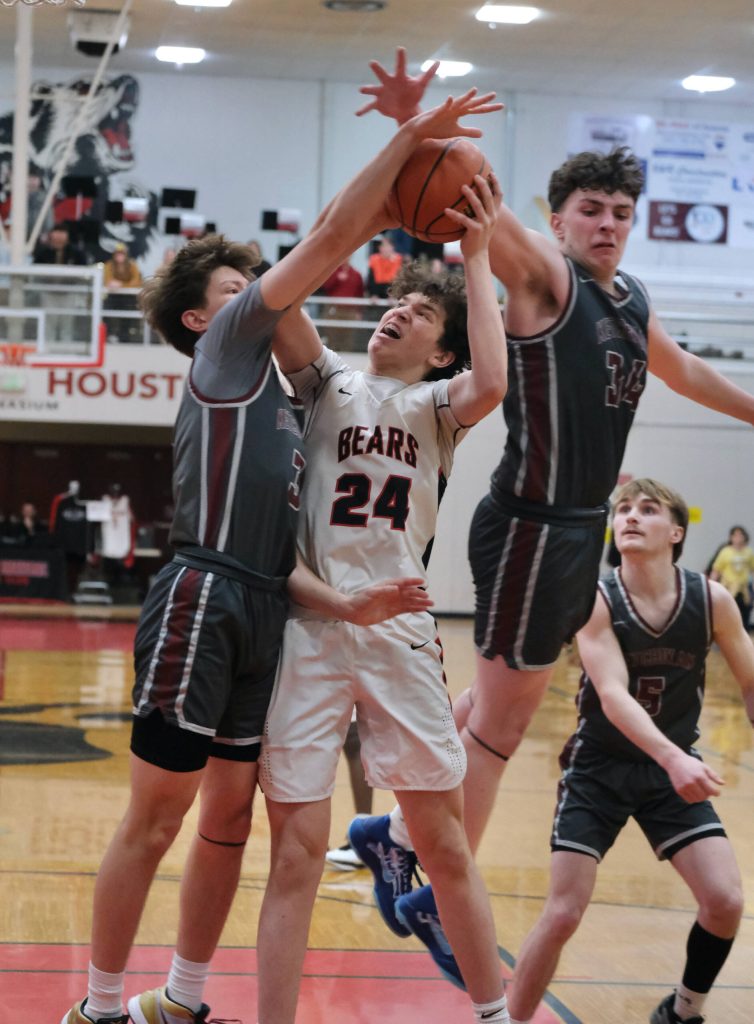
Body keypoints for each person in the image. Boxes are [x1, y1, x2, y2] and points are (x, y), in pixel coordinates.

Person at [59, 89, 502, 1024]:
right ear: (203, 319)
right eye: (237, 285)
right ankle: (97, 1005)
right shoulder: (237, 350)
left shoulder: (303, 403)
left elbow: (479, 380)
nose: (258, 289)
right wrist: (402, 159)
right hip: (215, 594)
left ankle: (182, 996)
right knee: (166, 815)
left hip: (287, 607)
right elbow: (326, 247)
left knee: (226, 819)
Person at [347, 46, 754, 982]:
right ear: (558, 221)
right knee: (498, 724)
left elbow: (684, 371)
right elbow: (467, 185)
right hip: (536, 524)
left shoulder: (630, 297)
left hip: (571, 531)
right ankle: (434, 888)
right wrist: (425, 126)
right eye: (592, 212)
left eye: (621, 213)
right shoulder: (546, 276)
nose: (608, 225)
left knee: (491, 705)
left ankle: (387, 830)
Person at [256, 169, 510, 1024]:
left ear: (442, 350)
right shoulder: (327, 379)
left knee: (445, 844)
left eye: (420, 314)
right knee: (292, 852)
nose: (398, 311)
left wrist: (474, 258)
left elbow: (495, 380)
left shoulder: (440, 405)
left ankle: (493, 1014)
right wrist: (360, 218)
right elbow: (280, 297)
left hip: (401, 633)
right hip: (313, 630)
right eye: (395, 303)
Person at [506, 478, 754, 1024]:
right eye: (622, 510)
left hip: (670, 769)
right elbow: (614, 696)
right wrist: (673, 758)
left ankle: (683, 1011)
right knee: (565, 912)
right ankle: (507, 1021)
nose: (631, 518)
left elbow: (751, 680)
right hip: (599, 769)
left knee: (726, 901)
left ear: (677, 530)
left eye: (647, 509)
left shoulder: (712, 601)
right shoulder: (594, 599)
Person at [709, 525, 754, 628]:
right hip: (729, 589)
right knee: (728, 615)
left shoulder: (748, 552)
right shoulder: (725, 552)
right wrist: (711, 587)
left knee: (745, 614)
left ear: (744, 537)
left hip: (744, 589)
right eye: (735, 535)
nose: (738, 538)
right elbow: (716, 570)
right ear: (731, 537)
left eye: (740, 535)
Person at [103, 243, 143, 342]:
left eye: (122, 254)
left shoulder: (132, 265)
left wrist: (121, 285)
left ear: (126, 255)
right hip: (113, 296)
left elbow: (137, 282)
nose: (119, 256)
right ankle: (109, 334)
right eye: (118, 253)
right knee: (107, 311)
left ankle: (125, 336)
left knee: (128, 315)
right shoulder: (109, 265)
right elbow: (108, 281)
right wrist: (115, 285)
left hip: (128, 297)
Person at [365, 233, 403, 298]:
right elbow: (371, 278)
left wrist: (393, 294)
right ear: (379, 248)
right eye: (383, 246)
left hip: (390, 293)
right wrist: (373, 294)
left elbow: (397, 280)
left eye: (387, 246)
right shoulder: (374, 259)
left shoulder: (398, 259)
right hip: (376, 293)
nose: (385, 249)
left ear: (392, 247)